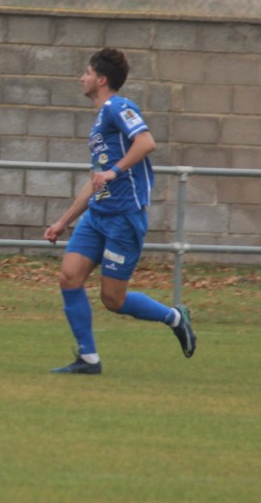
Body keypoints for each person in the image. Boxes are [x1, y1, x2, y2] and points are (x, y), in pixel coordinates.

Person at [44, 48, 196, 374]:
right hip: (97, 216)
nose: (80, 78)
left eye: (85, 73)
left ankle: (174, 317)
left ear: (101, 79)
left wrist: (114, 171)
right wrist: (62, 222)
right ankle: (88, 359)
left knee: (113, 300)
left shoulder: (119, 107)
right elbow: (96, 181)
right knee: (69, 277)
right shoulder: (100, 120)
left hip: (125, 218)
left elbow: (146, 142)